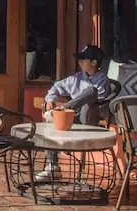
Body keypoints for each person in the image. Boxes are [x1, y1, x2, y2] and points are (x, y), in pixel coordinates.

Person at [36, 44, 109, 181]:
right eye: (79, 59)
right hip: (73, 115)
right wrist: (51, 98)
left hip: (89, 117)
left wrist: (65, 108)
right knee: (50, 124)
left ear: (94, 63)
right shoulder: (77, 77)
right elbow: (58, 85)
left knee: (91, 91)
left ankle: (61, 111)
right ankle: (53, 168)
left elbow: (96, 101)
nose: (80, 62)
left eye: (83, 59)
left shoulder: (102, 79)